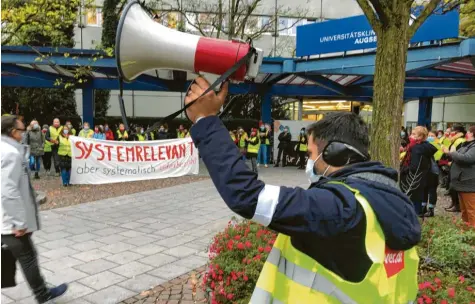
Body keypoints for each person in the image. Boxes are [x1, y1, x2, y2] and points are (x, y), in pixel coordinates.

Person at [184, 77, 421, 302]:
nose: (309, 162)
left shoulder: (340, 207)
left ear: (336, 153)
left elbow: (248, 196)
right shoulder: (390, 197)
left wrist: (205, 121)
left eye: (310, 155)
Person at [1, 115, 68, 303]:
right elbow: (7, 190)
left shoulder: (8, 149)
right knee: (27, 257)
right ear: (13, 132)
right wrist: (18, 222)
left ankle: (42, 292)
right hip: (10, 221)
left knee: (17, 255)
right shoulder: (10, 153)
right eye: (22, 130)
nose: (25, 134)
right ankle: (42, 294)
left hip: (6, 218)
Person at [400, 126, 437, 216]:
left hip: (413, 178)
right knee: (418, 198)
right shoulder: (424, 146)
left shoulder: (417, 148)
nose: (410, 136)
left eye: (413, 134)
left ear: (420, 137)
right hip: (421, 177)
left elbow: (414, 166)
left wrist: (404, 169)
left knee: (413, 200)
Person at [443, 125, 475, 225]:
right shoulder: (466, 145)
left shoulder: (473, 147)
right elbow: (458, 156)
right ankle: (466, 233)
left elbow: (467, 158)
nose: (467, 133)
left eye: (469, 132)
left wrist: (452, 153)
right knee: (464, 211)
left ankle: (472, 236)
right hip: (462, 183)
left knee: (471, 211)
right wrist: (449, 153)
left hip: (469, 183)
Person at [422, 131, 441, 217]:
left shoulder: (438, 145)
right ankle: (423, 207)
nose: (430, 137)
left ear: (436, 137)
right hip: (425, 171)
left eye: (432, 136)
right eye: (428, 135)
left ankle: (431, 209)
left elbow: (438, 157)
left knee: (432, 191)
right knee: (424, 189)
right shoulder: (425, 145)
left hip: (433, 171)